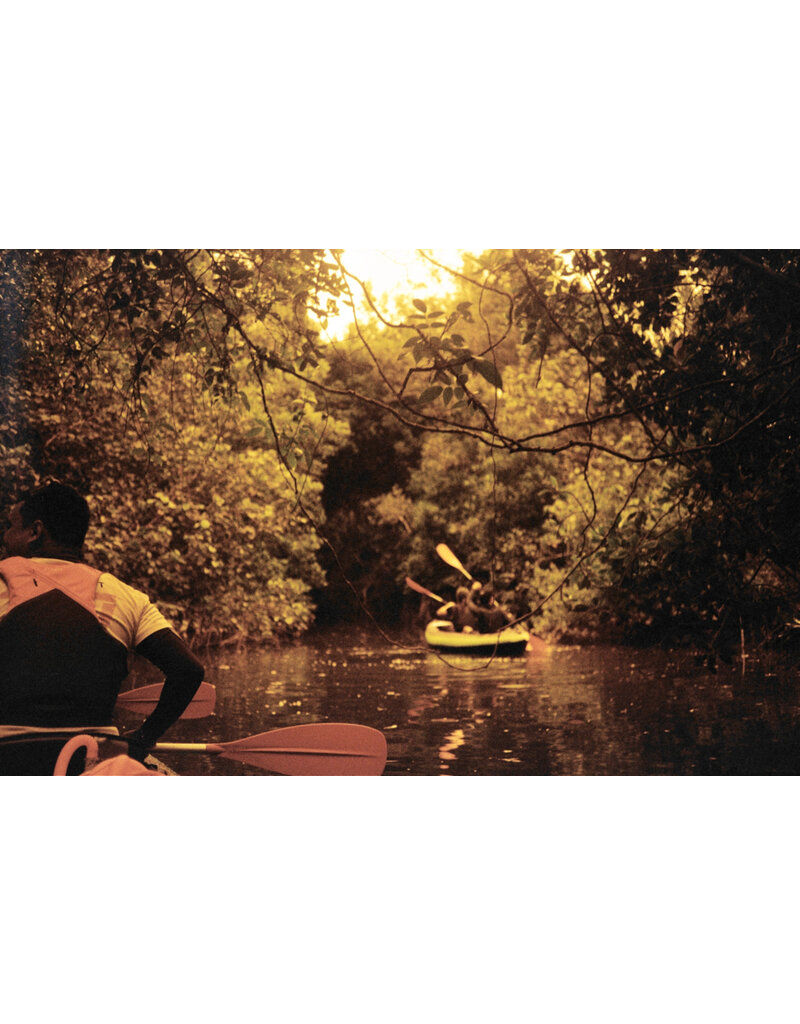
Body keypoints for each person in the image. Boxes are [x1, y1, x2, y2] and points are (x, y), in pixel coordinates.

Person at [0, 482, 204, 774]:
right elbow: (189, 670)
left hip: (10, 756)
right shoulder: (125, 596)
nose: (6, 536)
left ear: (35, 532)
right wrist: (143, 738)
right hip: (94, 758)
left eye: (11, 526)